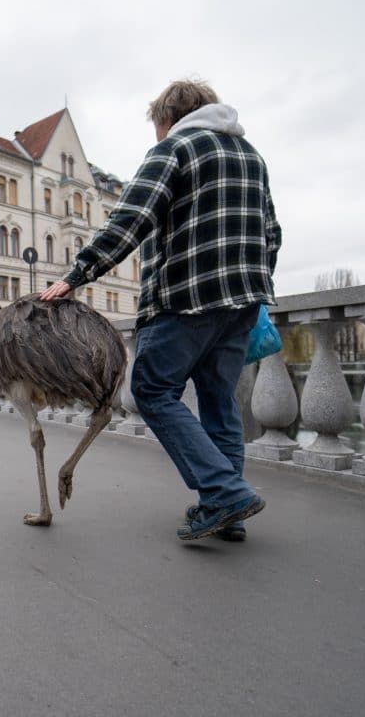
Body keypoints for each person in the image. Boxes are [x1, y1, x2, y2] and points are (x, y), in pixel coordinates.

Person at [40, 79, 281, 542]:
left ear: (168, 118)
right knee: (218, 402)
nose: (156, 136)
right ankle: (223, 508)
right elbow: (271, 233)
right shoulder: (253, 157)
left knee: (150, 390)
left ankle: (226, 493)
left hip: (184, 299)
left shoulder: (175, 149)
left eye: (157, 127)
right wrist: (252, 283)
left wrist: (77, 275)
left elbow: (131, 218)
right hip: (243, 304)